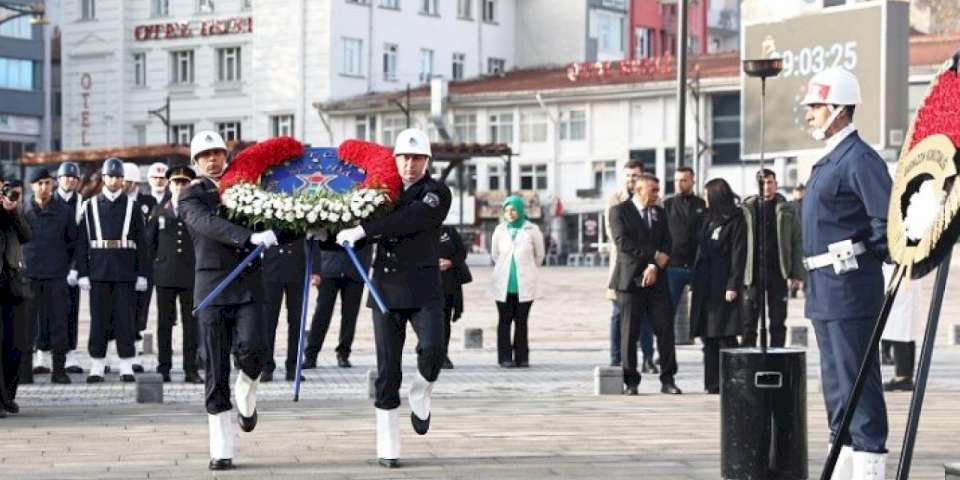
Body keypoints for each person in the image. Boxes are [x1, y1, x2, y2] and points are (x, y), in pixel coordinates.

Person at [336, 128, 452, 468]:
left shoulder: (437, 192)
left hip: (424, 289)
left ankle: (421, 392)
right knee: (388, 371)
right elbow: (353, 227)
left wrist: (365, 230)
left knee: (433, 350)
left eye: (417, 158)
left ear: (427, 161)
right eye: (404, 158)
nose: (410, 165)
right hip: (384, 289)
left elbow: (412, 218)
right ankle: (389, 446)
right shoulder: (378, 191)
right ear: (395, 159)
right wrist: (329, 233)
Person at [800, 67, 891, 477]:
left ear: (839, 109)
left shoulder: (859, 159)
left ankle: (869, 464)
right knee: (836, 385)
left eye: (816, 106)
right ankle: (844, 459)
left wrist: (867, 256)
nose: (809, 114)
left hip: (850, 289)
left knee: (858, 382)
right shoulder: (831, 159)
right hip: (825, 291)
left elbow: (886, 224)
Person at [179, 130, 282, 470]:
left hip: (249, 285)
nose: (212, 159)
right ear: (195, 161)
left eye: (218, 152)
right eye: (205, 154)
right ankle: (222, 448)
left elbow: (277, 218)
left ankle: (247, 386)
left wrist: (312, 224)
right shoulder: (191, 196)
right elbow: (207, 225)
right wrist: (247, 235)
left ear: (227, 155)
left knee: (255, 351)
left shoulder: (249, 186)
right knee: (215, 366)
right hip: (213, 287)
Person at [75, 158, 150, 384]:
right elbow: (81, 243)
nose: (115, 180)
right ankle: (97, 365)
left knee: (125, 319)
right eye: (111, 176)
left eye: (119, 177)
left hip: (125, 270)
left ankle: (126, 363)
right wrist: (82, 273)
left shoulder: (133, 207)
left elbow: (143, 244)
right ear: (104, 178)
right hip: (98, 270)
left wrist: (142, 274)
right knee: (99, 319)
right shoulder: (89, 206)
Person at [608, 174, 681, 396]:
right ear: (639, 190)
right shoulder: (619, 211)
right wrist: (653, 255)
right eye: (654, 190)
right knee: (629, 333)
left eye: (658, 190)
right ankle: (631, 381)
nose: (658, 194)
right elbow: (624, 243)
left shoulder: (659, 213)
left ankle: (668, 379)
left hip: (656, 280)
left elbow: (668, 242)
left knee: (666, 330)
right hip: (629, 281)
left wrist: (654, 266)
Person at [145, 164, 202, 384]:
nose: (180, 186)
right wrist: (150, 273)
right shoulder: (159, 210)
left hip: (191, 275)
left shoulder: (197, 210)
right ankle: (164, 367)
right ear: (170, 185)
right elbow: (150, 245)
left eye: (184, 182)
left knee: (191, 324)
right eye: (176, 182)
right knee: (164, 324)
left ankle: (190, 369)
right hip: (165, 275)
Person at [690, 178, 746, 394]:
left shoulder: (736, 219)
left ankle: (733, 381)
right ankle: (712, 383)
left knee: (726, 334)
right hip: (705, 284)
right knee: (708, 335)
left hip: (723, 284)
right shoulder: (707, 218)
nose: (704, 199)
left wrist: (733, 285)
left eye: (707, 195)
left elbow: (738, 254)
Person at [23, 169, 78, 384]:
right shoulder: (21, 210)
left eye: (47, 183)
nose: (44, 187)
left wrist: (73, 269)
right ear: (31, 186)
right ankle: (24, 371)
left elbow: (74, 244)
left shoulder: (64, 212)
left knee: (59, 325)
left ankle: (59, 370)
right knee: (26, 326)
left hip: (56, 276)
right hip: (28, 276)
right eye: (39, 183)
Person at [740, 169, 804, 348]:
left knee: (777, 320)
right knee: (749, 322)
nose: (766, 187)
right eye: (762, 183)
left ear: (776, 184)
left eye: (769, 182)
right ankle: (748, 359)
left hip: (778, 271)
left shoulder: (787, 210)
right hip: (752, 273)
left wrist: (797, 274)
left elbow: (797, 241)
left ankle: (777, 355)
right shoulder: (747, 209)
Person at [604, 160, 653, 368]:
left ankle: (648, 358)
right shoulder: (614, 200)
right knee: (618, 313)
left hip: (648, 265)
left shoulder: (653, 197)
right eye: (628, 175)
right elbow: (613, 232)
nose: (631, 179)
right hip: (623, 264)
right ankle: (616, 358)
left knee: (646, 315)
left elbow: (656, 230)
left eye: (635, 175)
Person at [490, 195, 545, 369]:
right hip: (503, 284)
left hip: (525, 284)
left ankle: (522, 357)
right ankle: (505, 357)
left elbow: (539, 256)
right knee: (504, 320)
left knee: (522, 321)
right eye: (507, 210)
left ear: (521, 210)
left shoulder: (532, 229)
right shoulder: (499, 230)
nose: (510, 213)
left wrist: (527, 268)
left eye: (513, 209)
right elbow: (495, 254)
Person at [303, 240, 372, 370]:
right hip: (329, 263)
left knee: (350, 313)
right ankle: (311, 355)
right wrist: (315, 268)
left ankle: (343, 354)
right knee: (322, 311)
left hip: (355, 262)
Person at [663, 166, 706, 343]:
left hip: (698, 266)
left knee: (702, 309)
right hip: (674, 267)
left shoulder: (702, 205)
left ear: (692, 181)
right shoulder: (667, 205)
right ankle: (664, 351)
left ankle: (707, 347)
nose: (679, 184)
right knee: (667, 311)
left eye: (684, 180)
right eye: (676, 180)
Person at [0, 176, 31, 416]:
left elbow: (27, 235)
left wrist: (13, 210)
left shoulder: (10, 209)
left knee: (15, 344)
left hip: (11, 283)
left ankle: (7, 395)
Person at [261, 239, 307, 382]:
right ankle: (266, 366)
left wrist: (316, 269)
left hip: (297, 268)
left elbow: (312, 238)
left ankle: (293, 367)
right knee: (268, 322)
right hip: (271, 268)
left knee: (297, 322)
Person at [124, 162, 155, 373]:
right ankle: (112, 356)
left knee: (139, 310)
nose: (122, 184)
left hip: (144, 262)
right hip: (121, 263)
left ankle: (136, 353)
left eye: (126, 181)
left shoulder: (148, 202)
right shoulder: (114, 203)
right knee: (117, 310)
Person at [56, 162, 85, 374]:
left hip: (71, 265)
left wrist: (76, 268)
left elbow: (81, 239)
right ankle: (43, 352)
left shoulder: (81, 202)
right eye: (65, 177)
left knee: (72, 310)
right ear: (58, 179)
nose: (69, 180)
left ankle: (71, 353)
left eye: (73, 178)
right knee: (46, 312)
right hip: (50, 265)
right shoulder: (50, 200)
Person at [880, 263, 919, 392]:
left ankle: (903, 377)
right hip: (904, 271)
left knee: (899, 329)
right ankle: (904, 376)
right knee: (904, 329)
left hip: (900, 272)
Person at [438, 225, 470, 369]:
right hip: (425, 284)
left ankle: (443, 354)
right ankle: (428, 352)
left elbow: (462, 252)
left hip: (449, 284)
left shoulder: (449, 231)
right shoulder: (419, 229)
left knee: (444, 321)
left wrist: (450, 262)